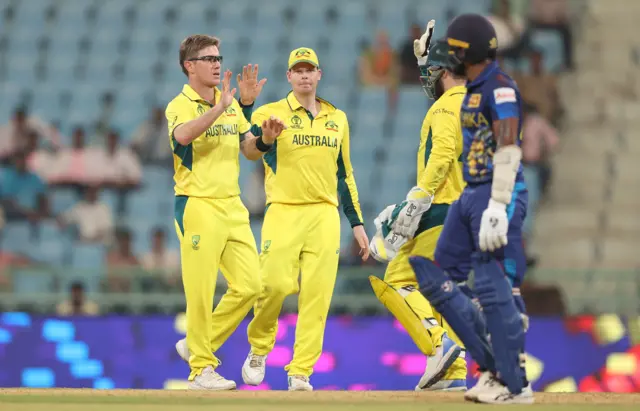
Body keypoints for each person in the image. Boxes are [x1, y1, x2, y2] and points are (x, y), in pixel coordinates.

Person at [408, 14, 534, 404]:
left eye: (454, 49)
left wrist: (498, 202)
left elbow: (509, 146)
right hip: (471, 194)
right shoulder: (474, 87)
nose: (449, 56)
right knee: (440, 275)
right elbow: (448, 86)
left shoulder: (500, 89)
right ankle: (493, 363)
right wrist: (426, 61)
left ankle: (511, 377)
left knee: (496, 286)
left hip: (497, 193)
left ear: (471, 53)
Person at [240, 47, 370, 391]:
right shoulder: (271, 112)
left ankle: (301, 370)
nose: (304, 75)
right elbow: (247, 149)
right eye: (297, 70)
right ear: (289, 77)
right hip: (284, 209)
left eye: (309, 69)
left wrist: (356, 223)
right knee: (274, 285)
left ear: (319, 74)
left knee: (317, 295)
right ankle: (258, 349)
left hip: (325, 215)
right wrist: (267, 138)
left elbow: (345, 174)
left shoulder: (336, 118)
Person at [165, 34, 285, 390]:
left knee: (252, 285)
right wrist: (221, 108)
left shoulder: (230, 103)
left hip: (232, 206)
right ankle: (201, 368)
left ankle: (195, 345)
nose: (217, 64)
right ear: (190, 66)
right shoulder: (180, 104)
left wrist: (265, 139)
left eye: (219, 58)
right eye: (208, 58)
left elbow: (247, 149)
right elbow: (182, 137)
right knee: (200, 292)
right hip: (197, 204)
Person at [368, 21, 468, 392]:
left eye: (430, 71)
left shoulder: (444, 109)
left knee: (399, 280)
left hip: (441, 208)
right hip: (470, 209)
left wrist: (417, 200)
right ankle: (452, 373)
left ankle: (439, 347)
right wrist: (430, 56)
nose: (426, 77)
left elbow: (441, 153)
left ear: (443, 72)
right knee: (442, 289)